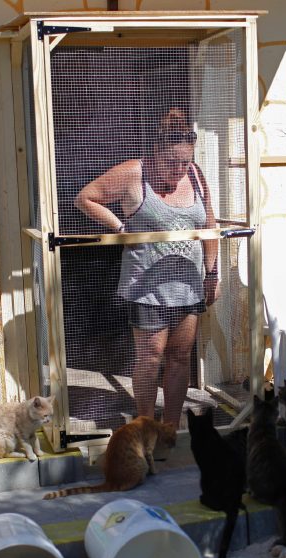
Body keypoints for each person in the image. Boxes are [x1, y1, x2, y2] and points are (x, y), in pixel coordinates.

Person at [75, 107, 219, 428]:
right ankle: (144, 425)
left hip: (188, 285)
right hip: (146, 288)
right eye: (171, 163)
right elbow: (85, 198)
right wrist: (120, 227)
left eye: (185, 161)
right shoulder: (133, 173)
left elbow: (209, 224)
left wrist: (212, 273)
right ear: (155, 151)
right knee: (151, 357)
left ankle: (169, 428)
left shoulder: (195, 175)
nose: (179, 170)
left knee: (180, 358)